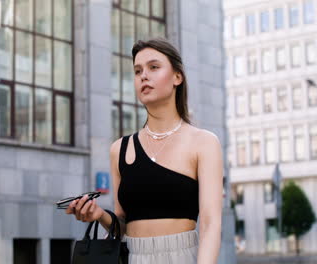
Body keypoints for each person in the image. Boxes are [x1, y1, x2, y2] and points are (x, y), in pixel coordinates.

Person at [66, 38, 223, 264]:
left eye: (154, 67)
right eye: (137, 70)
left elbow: (210, 224)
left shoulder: (204, 142)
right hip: (133, 257)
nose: (143, 76)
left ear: (177, 77)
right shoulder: (119, 149)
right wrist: (99, 215)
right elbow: (123, 224)